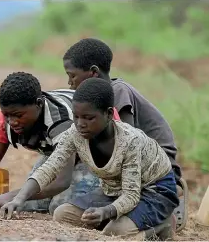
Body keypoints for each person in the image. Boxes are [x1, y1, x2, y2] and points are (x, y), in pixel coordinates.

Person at [0, 78, 179, 240]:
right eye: (76, 117)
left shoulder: (129, 141)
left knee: (116, 233)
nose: (80, 124)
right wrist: (19, 198)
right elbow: (51, 166)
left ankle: (162, 226)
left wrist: (106, 211)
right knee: (63, 215)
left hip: (154, 190)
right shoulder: (76, 133)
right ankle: (126, 220)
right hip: (115, 189)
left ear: (109, 114)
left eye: (88, 118)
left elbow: (131, 195)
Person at [0, 72, 120, 215]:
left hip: (99, 151)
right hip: (60, 152)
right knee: (21, 202)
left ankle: (120, 199)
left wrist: (14, 195)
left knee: (60, 206)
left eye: (18, 115)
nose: (12, 122)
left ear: (39, 104)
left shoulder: (60, 122)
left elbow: (61, 181)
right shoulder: (6, 120)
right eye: (7, 115)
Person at [62, 38, 188, 231]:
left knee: (115, 228)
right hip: (123, 176)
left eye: (72, 76)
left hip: (153, 173)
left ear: (93, 73)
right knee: (65, 212)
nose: (70, 84)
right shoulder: (97, 102)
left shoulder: (118, 92)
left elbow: (123, 150)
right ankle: (124, 217)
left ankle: (162, 215)